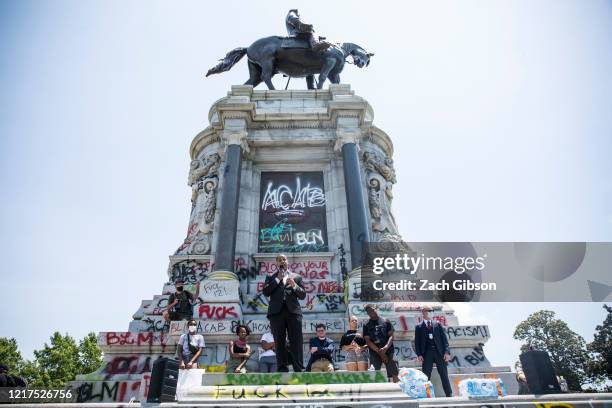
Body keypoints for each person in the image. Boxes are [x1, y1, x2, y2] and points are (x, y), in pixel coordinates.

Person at [262, 253, 307, 372]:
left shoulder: (296, 277)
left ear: (287, 261)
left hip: (293, 312)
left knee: (296, 340)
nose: (282, 261)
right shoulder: (271, 277)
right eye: (279, 260)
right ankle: (282, 368)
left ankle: (299, 367)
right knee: (279, 340)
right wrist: (278, 279)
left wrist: (294, 285)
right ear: (276, 263)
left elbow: (302, 295)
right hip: (276, 313)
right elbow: (266, 292)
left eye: (284, 259)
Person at [414, 306, 453, 397]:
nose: (430, 312)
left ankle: (449, 393)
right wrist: (419, 354)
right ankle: (425, 394)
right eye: (428, 310)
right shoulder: (419, 327)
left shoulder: (437, 324)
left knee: (444, 374)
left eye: (431, 311)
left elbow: (444, 340)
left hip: (439, 353)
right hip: (427, 353)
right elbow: (417, 342)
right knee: (425, 376)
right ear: (423, 312)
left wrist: (447, 352)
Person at [363, 304, 399, 382]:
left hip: (388, 350)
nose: (370, 312)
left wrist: (385, 348)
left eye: (372, 310)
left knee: (394, 372)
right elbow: (368, 341)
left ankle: (398, 389)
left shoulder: (386, 321)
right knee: (374, 373)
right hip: (375, 351)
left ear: (376, 308)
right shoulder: (366, 324)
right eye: (368, 311)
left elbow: (391, 336)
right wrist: (381, 353)